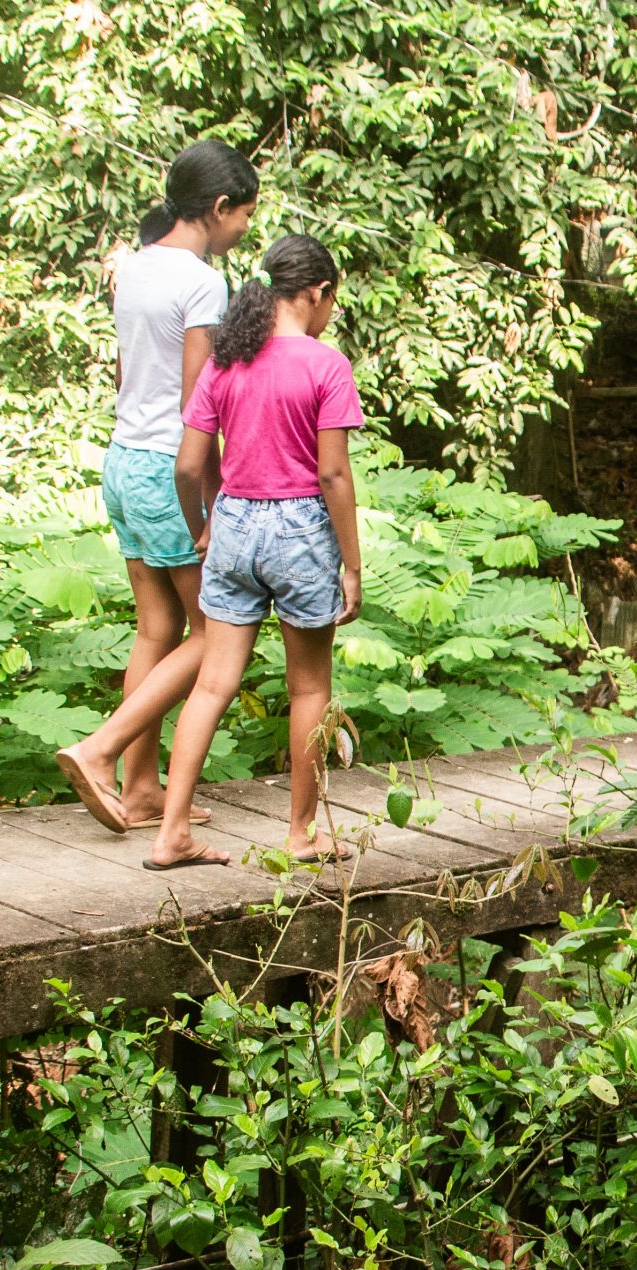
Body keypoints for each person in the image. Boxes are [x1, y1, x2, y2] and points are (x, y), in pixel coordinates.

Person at [121, 233, 363, 871]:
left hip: (232, 523)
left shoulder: (226, 363)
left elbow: (187, 464)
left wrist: (206, 523)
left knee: (211, 685)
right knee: (309, 687)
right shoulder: (324, 365)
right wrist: (352, 564)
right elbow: (334, 476)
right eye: (330, 301)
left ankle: (171, 832)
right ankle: (301, 835)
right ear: (318, 293)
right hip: (301, 529)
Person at [56, 138, 258, 830]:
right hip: (173, 466)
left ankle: (141, 790)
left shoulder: (134, 267)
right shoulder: (203, 281)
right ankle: (101, 747)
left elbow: (126, 373)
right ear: (220, 207)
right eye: (243, 219)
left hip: (123, 460)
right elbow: (199, 400)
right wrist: (217, 487)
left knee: (156, 628)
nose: (244, 233)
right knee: (217, 630)